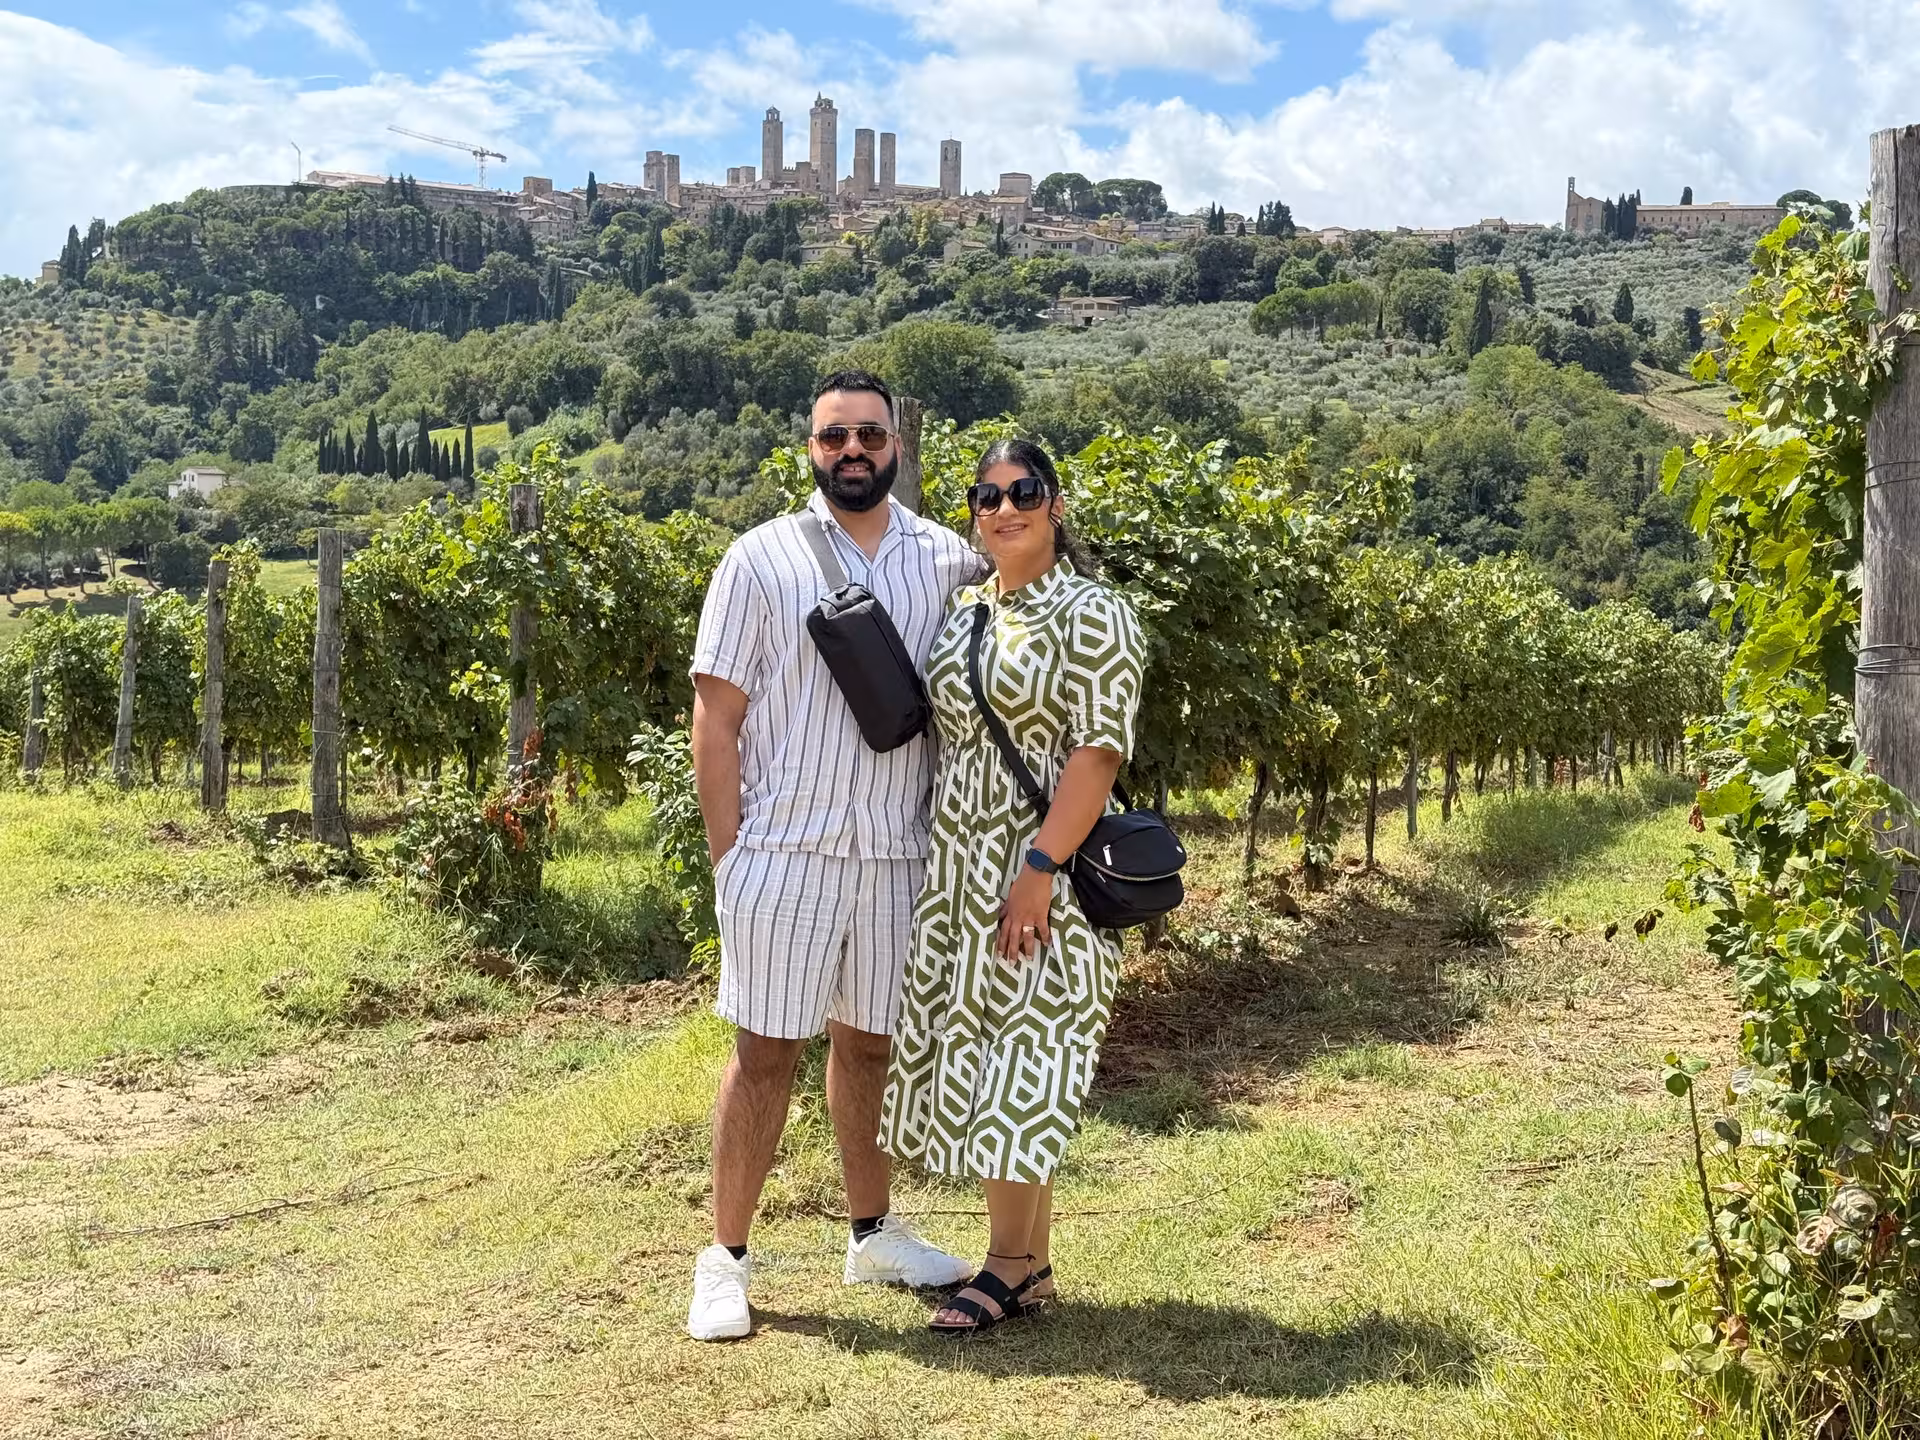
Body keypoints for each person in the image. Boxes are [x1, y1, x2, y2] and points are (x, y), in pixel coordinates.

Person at [685, 370, 980, 1342]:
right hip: (787, 854)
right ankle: (724, 1260)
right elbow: (715, 721)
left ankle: (872, 1233)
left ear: (896, 443)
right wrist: (732, 862)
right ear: (809, 448)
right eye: (833, 437)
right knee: (764, 1055)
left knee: (871, 1046)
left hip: (897, 857)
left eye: (869, 434)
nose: (852, 450)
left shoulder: (946, 561)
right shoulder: (758, 560)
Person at [879, 437, 1146, 1335]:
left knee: (1024, 1061)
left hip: (1043, 871)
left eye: (1023, 490)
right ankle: (1030, 1270)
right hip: (959, 871)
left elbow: (1096, 752)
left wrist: (1038, 868)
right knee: (994, 1056)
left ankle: (1002, 1266)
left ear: (1055, 504)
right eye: (986, 495)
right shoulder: (965, 611)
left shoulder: (1092, 612)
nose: (1004, 507)